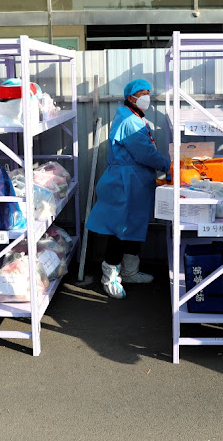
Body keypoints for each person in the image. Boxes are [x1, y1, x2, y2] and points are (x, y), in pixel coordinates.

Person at [86, 78, 170, 299]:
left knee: (134, 225)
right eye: (141, 93)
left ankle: (131, 271)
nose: (146, 97)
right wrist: (167, 165)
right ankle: (109, 276)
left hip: (136, 180)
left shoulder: (133, 116)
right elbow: (144, 152)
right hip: (125, 181)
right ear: (130, 97)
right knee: (120, 230)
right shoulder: (130, 120)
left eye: (148, 92)